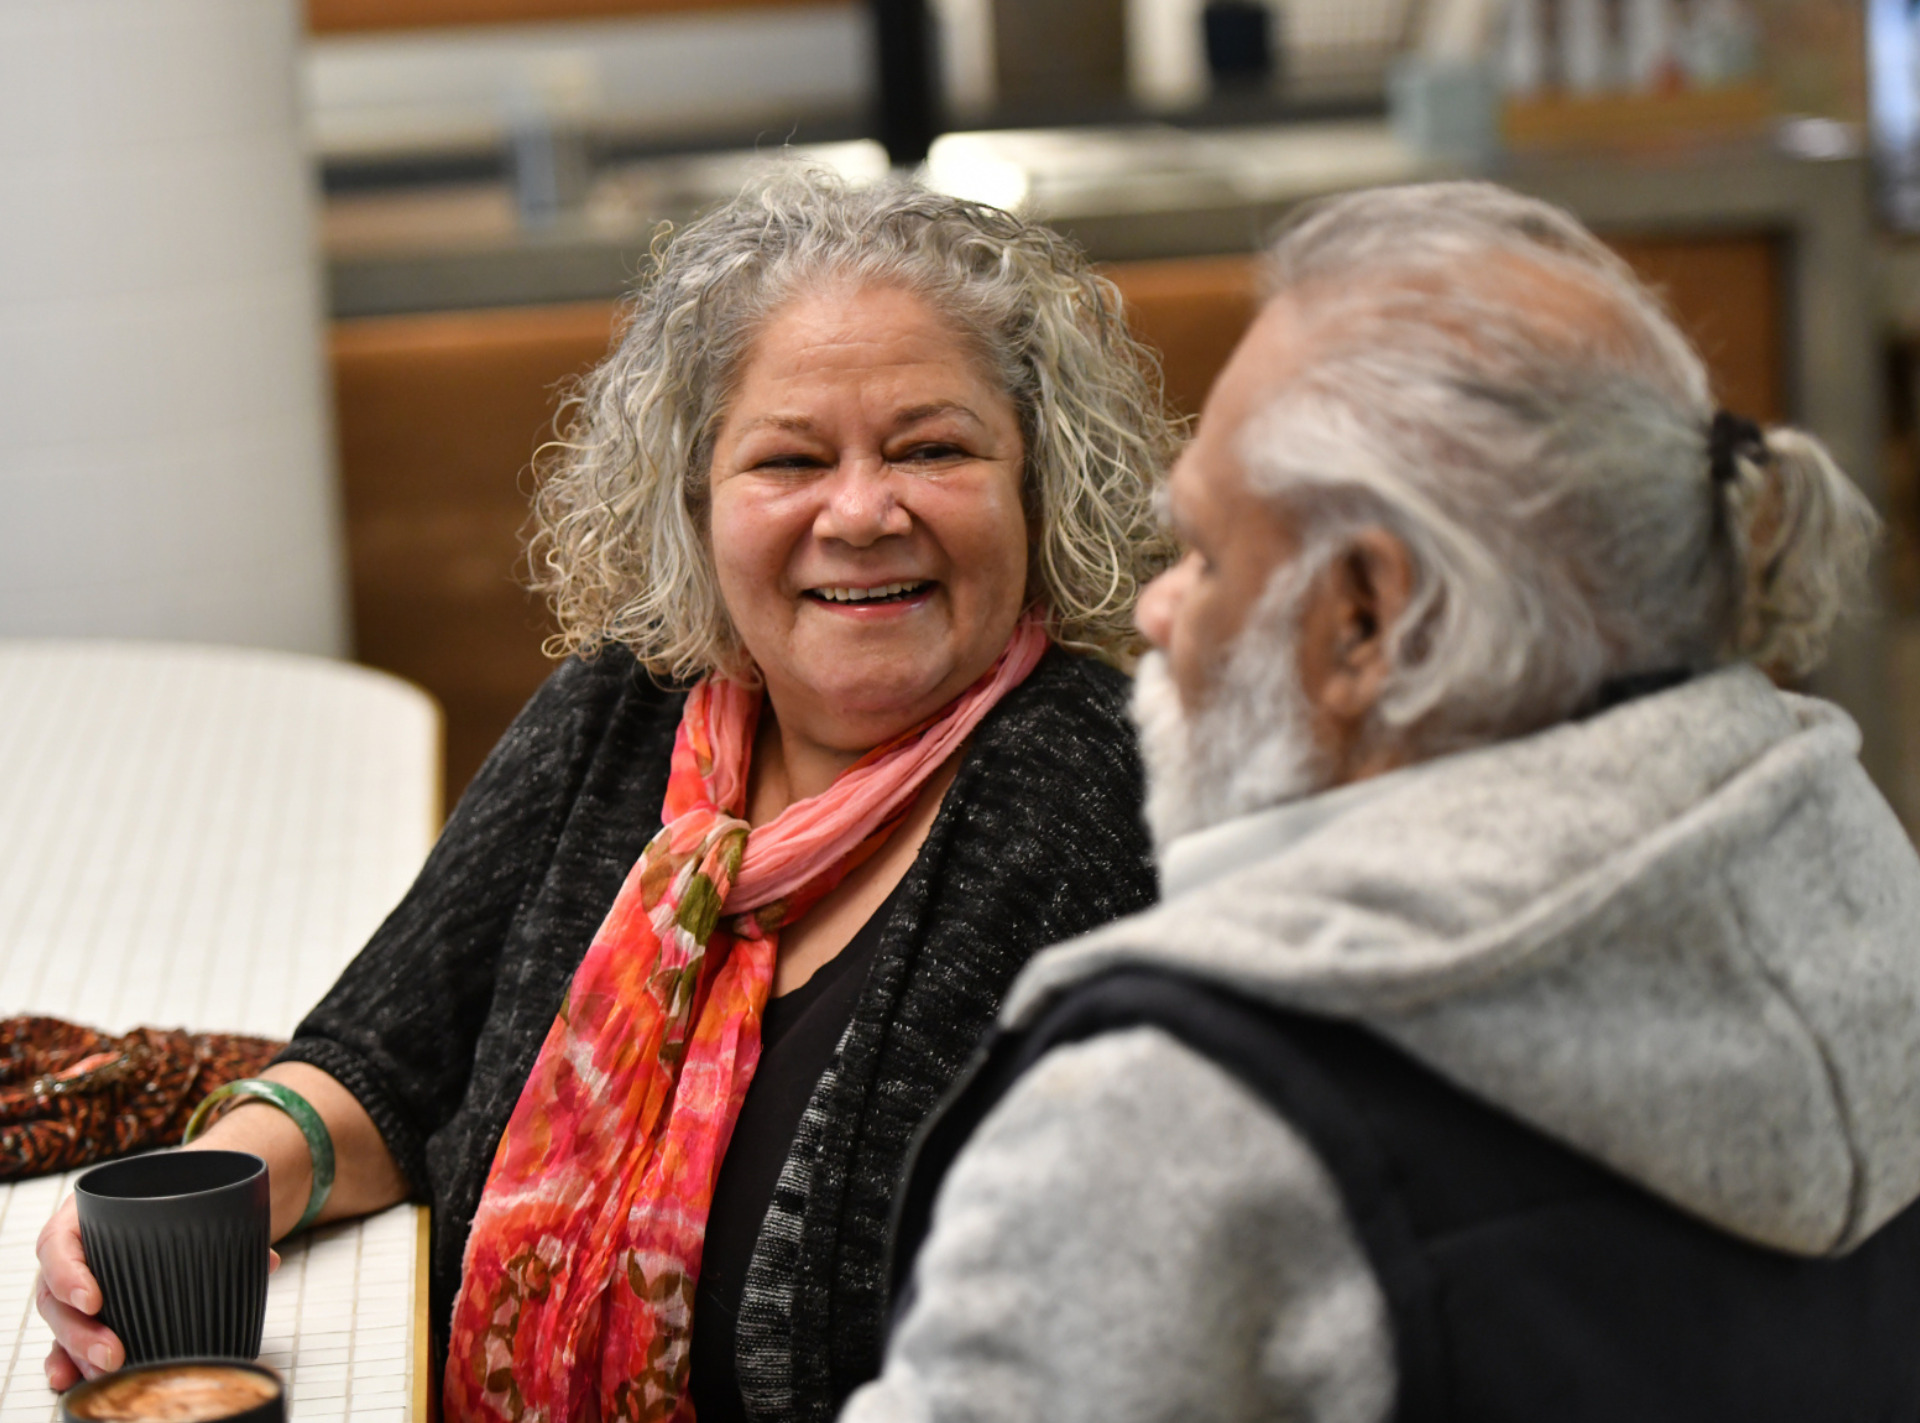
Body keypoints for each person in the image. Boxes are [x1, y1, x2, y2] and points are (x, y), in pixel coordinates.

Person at [37, 169, 1178, 1423]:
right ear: (695, 506)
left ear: (1038, 482)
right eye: (789, 458)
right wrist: (216, 1187)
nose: (860, 511)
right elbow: (384, 1063)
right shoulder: (623, 717)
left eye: (933, 448)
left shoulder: (1090, 797)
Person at [849, 181, 1920, 1423]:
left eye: (1199, 552)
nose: (1155, 612)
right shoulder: (1869, 899)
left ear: (1366, 615)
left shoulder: (1174, 1114)